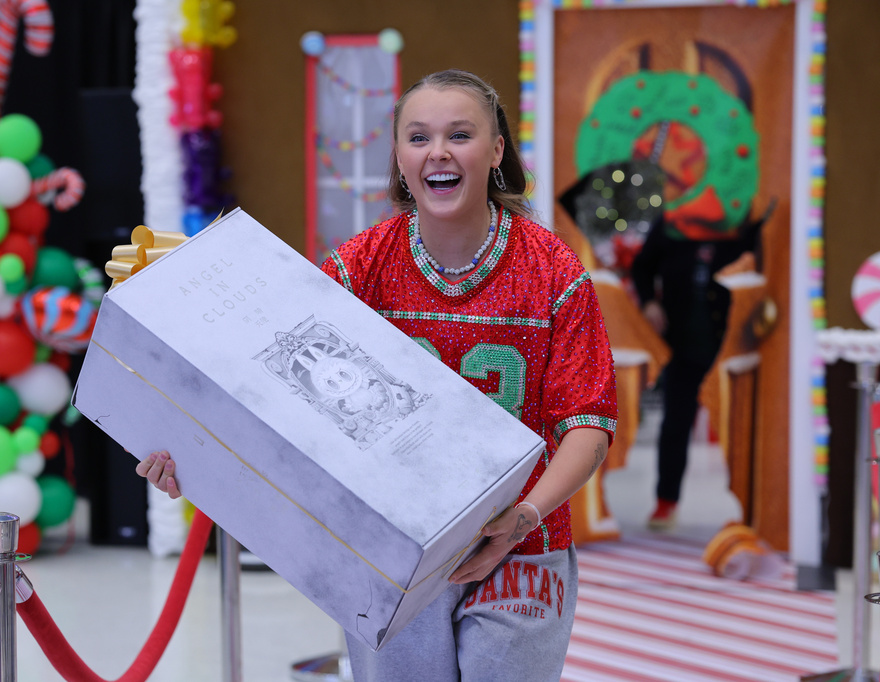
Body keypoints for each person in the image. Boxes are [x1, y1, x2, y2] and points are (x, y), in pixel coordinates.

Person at [137, 69, 617, 682]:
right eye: (418, 137)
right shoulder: (357, 266)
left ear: (496, 151)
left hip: (524, 548)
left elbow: (588, 425)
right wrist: (197, 460)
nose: (438, 152)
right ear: (398, 154)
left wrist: (523, 515)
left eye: (460, 134)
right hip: (387, 553)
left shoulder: (553, 270)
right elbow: (274, 398)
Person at [631, 216, 760, 530]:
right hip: (682, 343)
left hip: (734, 347)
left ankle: (752, 510)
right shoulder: (673, 221)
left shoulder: (744, 222)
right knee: (675, 423)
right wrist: (649, 302)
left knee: (743, 426)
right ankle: (665, 502)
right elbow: (641, 266)